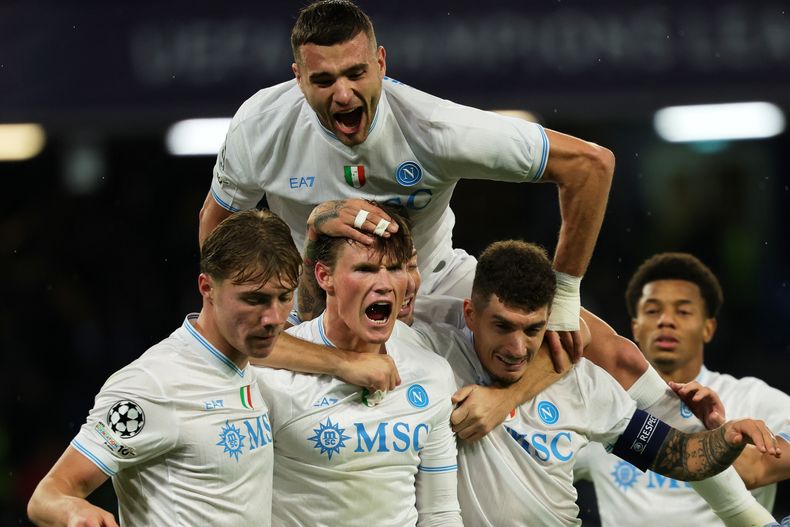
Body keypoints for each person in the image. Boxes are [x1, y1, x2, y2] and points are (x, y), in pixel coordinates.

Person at [198, 0, 615, 353]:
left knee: (605, 351)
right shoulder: (261, 124)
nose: (342, 95)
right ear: (298, 78)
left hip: (431, 281)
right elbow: (218, 226)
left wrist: (563, 297)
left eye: (356, 73)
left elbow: (590, 165)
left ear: (381, 64)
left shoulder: (435, 129)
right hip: (313, 296)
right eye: (323, 80)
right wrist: (228, 306)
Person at [412, 240, 781, 526]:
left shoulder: (582, 382)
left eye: (533, 329)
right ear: (470, 314)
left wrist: (727, 438)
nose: (517, 347)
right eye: (503, 326)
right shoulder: (431, 355)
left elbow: (682, 456)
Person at [27, 210, 302, 526]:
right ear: (207, 288)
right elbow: (48, 495)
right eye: (254, 300)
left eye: (284, 297)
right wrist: (75, 511)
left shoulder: (250, 368)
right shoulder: (152, 383)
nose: (274, 318)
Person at [254, 205, 462, 525]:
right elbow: (223, 343)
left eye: (394, 268)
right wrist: (344, 363)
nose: (384, 284)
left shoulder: (431, 372)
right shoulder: (270, 375)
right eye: (365, 269)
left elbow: (440, 512)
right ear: (325, 277)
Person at [574, 252, 790, 527]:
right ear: (635, 327)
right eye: (653, 310)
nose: (666, 320)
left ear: (708, 328)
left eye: (683, 311)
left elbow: (757, 470)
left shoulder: (755, 399)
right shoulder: (603, 407)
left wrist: (716, 433)